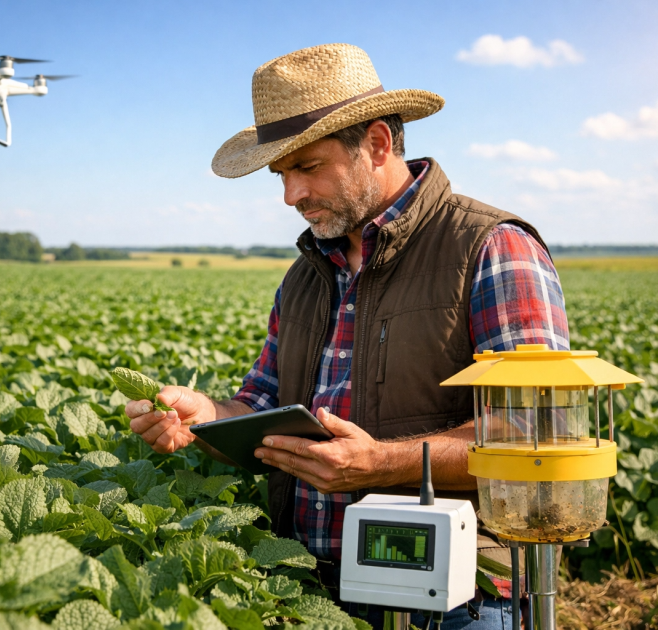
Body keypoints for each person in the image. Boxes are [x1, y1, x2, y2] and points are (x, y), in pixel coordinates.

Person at [127, 43, 569, 629]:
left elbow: (537, 435)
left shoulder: (490, 248)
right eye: (282, 174)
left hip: (457, 596)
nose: (291, 195)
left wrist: (382, 464)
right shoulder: (307, 275)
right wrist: (201, 416)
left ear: (379, 144)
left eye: (308, 167)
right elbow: (260, 406)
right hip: (310, 586)